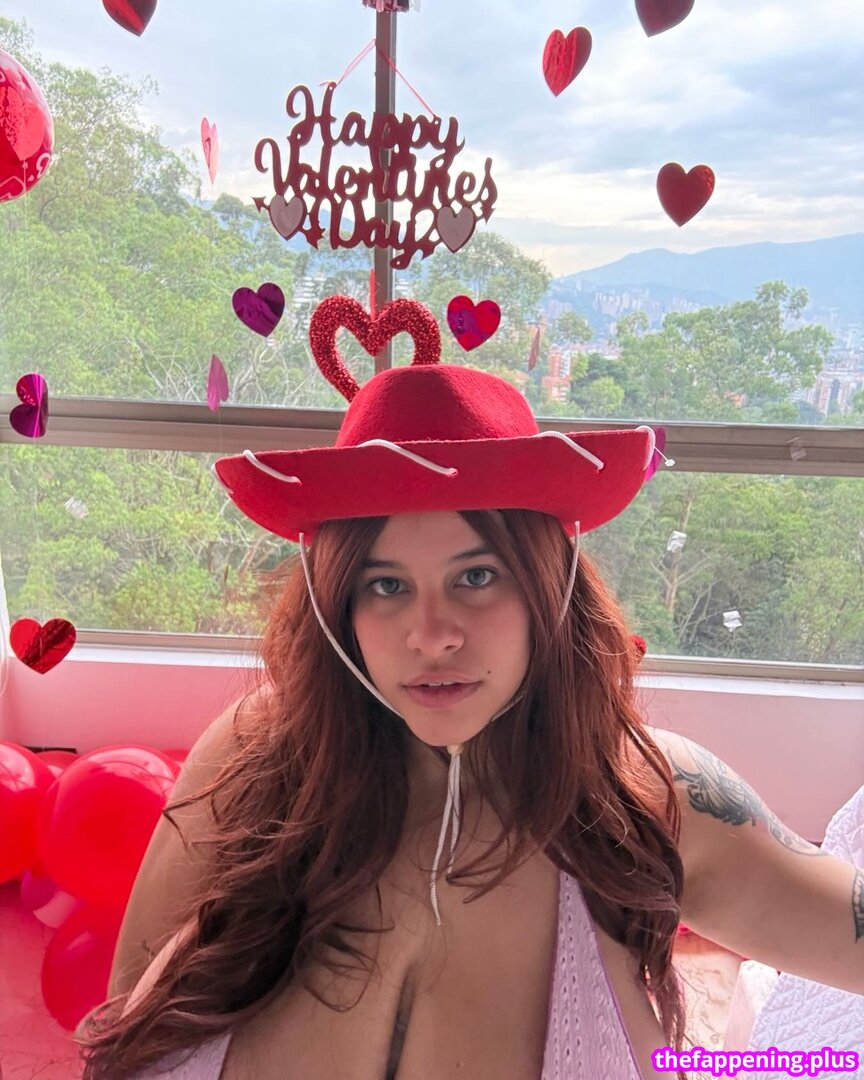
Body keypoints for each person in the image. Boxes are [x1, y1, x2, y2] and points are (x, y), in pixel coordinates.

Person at [75, 295, 863, 1080]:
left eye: (477, 576)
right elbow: (126, 1030)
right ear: (339, 606)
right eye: (386, 585)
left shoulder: (649, 799)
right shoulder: (260, 760)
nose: (432, 634)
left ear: (549, 587)